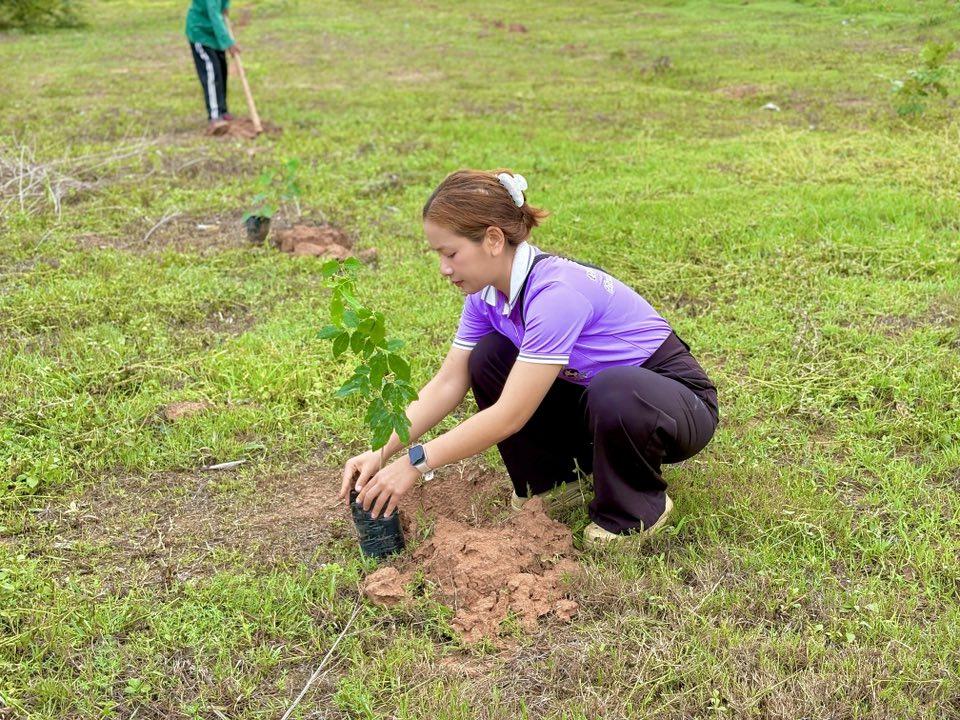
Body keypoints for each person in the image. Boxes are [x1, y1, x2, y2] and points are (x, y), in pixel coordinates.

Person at [339, 169, 719, 547]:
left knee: (613, 388)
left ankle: (636, 512)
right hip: (593, 399)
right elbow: (448, 382)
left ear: (493, 239)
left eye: (451, 253)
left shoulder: (556, 293)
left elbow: (511, 414)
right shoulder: (485, 297)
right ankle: (555, 482)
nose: (444, 269)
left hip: (674, 403)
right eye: (438, 255)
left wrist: (415, 462)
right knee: (489, 357)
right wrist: (381, 450)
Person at [185, 0, 240, 133]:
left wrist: (225, 6)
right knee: (212, 73)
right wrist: (228, 42)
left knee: (222, 71)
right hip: (200, 33)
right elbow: (214, 15)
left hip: (214, 33)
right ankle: (215, 116)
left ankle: (222, 110)